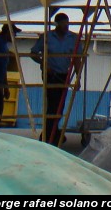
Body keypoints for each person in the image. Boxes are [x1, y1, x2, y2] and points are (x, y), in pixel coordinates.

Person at [31, 12, 81, 145]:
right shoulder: (47, 37)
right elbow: (34, 53)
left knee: (60, 105)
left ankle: (54, 131)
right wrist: (44, 64)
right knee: (53, 104)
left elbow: (77, 59)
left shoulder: (73, 38)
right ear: (57, 24)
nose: (66, 26)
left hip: (64, 75)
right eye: (63, 23)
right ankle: (49, 134)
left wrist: (78, 78)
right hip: (51, 74)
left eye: (67, 23)